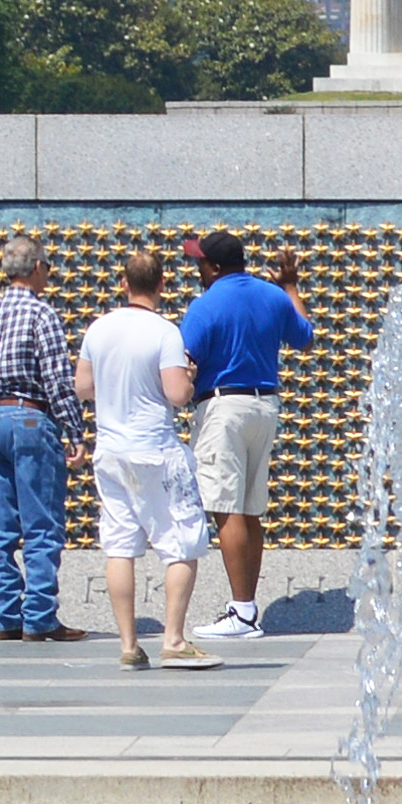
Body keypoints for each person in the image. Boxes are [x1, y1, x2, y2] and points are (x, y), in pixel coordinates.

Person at [171, 229, 315, 653]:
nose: (196, 269)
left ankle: (241, 612)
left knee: (226, 507)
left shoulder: (206, 304)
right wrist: (290, 285)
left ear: (214, 266)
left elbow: (183, 362)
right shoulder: (273, 296)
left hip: (223, 410)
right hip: (265, 406)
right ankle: (247, 609)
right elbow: (305, 336)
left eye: (199, 262)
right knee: (251, 510)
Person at [77, 248, 207, 672]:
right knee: (182, 540)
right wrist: (187, 378)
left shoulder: (99, 328)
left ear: (124, 283)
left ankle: (129, 644)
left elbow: (83, 387)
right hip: (156, 450)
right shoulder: (165, 332)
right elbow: (175, 395)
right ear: (162, 285)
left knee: (119, 545)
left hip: (111, 451)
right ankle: (173, 638)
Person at [0, 234, 81, 641]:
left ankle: (4, 617)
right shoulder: (43, 315)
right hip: (29, 416)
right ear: (38, 268)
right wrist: (74, 430)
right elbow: (58, 378)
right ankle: (39, 617)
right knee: (41, 522)